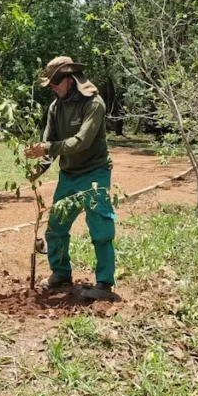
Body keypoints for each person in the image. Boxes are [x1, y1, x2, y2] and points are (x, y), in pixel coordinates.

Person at [26, 56, 117, 301]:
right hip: (68, 175)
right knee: (56, 227)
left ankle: (104, 284)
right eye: (50, 84)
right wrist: (39, 169)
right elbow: (49, 142)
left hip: (95, 174)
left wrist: (47, 148)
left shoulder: (94, 104)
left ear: (70, 78)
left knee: (101, 229)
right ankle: (61, 274)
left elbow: (81, 142)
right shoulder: (55, 107)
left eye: (55, 82)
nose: (53, 87)